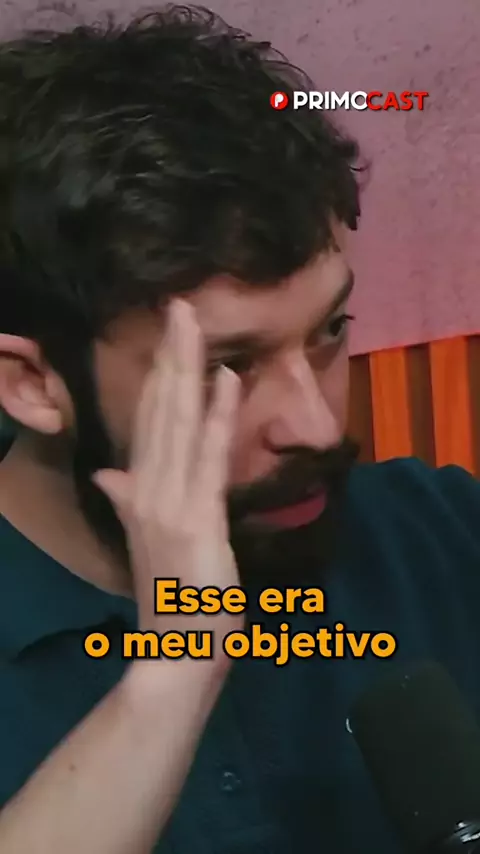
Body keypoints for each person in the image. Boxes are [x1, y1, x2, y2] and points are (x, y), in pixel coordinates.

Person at [0, 6, 479, 853]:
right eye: (226, 365)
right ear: (33, 384)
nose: (314, 425)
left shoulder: (434, 534)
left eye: (329, 331)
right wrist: (180, 663)